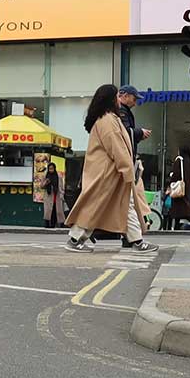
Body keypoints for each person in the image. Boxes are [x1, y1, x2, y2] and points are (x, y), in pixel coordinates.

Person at [66, 84, 151, 252]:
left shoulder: (108, 118)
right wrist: (127, 170)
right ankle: (75, 239)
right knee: (98, 207)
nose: (119, 100)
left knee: (122, 206)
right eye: (116, 97)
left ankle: (137, 241)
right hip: (108, 174)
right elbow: (117, 148)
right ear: (111, 100)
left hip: (110, 173)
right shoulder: (107, 121)